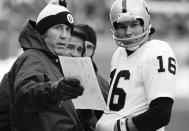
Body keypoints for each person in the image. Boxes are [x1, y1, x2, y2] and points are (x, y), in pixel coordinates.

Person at [6, 1, 96, 131]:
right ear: (43, 32)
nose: (64, 36)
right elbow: (25, 93)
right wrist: (54, 91)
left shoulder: (56, 61)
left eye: (68, 30)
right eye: (58, 28)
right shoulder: (32, 57)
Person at [95, 0, 177, 131]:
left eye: (134, 24)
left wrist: (118, 127)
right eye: (121, 26)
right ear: (114, 27)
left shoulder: (158, 51)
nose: (128, 32)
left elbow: (160, 114)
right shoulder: (119, 53)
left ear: (146, 23)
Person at [76, 24, 109, 120]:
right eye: (81, 46)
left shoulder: (104, 87)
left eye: (89, 47)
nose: (84, 51)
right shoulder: (56, 75)